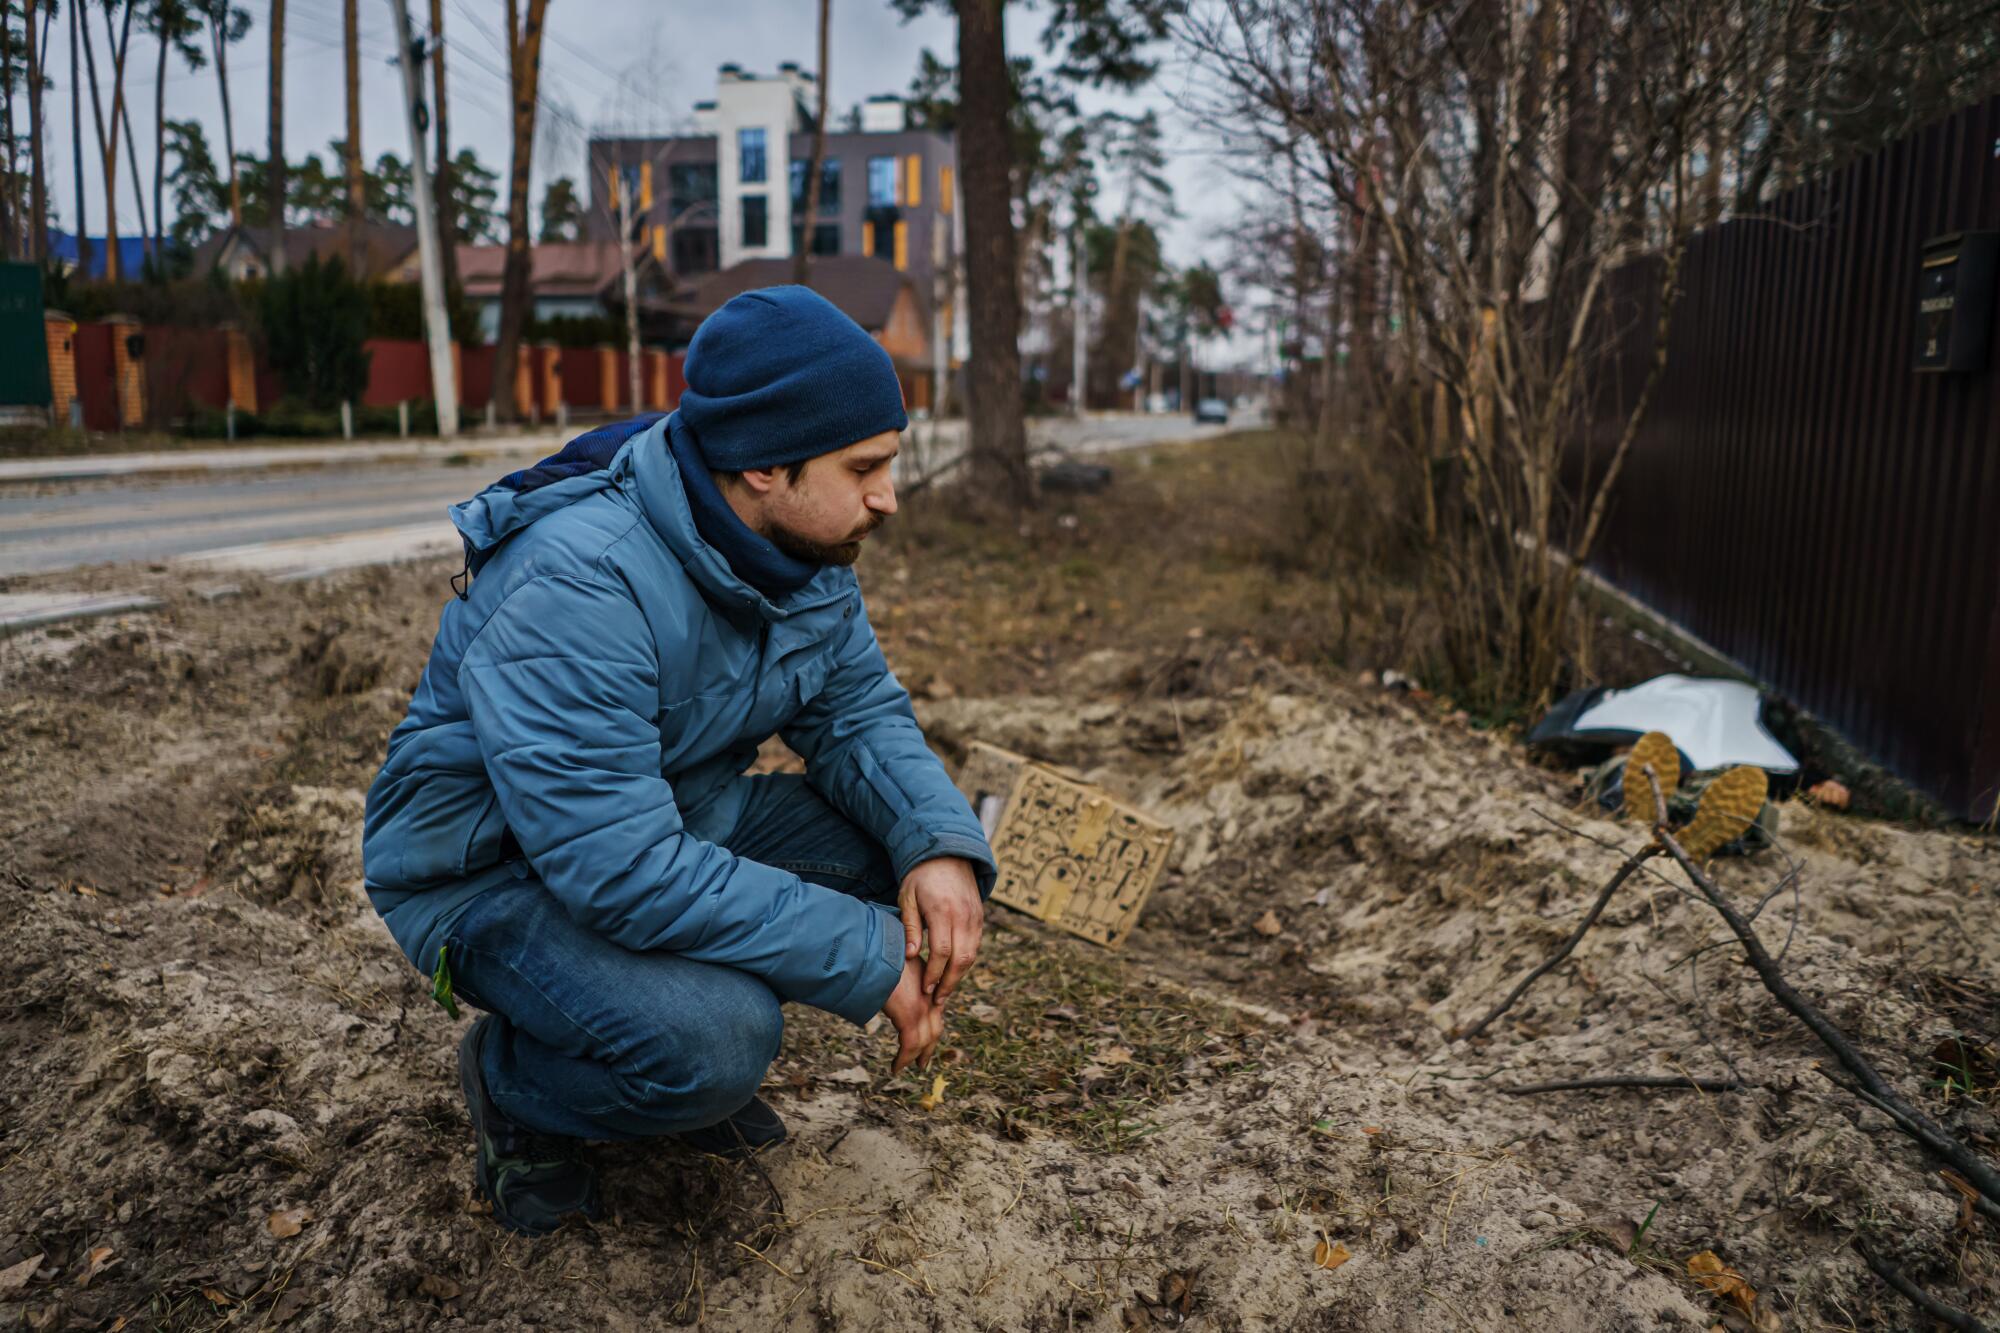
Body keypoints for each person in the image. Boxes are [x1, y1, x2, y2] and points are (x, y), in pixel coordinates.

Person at [362, 286, 997, 1236]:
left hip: (672, 817)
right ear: (764, 465)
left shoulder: (803, 552)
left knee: (904, 865)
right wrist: (865, 958)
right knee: (717, 1040)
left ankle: (652, 1053)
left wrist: (937, 846)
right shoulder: (582, 580)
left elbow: (856, 711)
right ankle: (518, 1085)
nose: (887, 497)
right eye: (864, 467)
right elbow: (617, 868)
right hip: (490, 877)